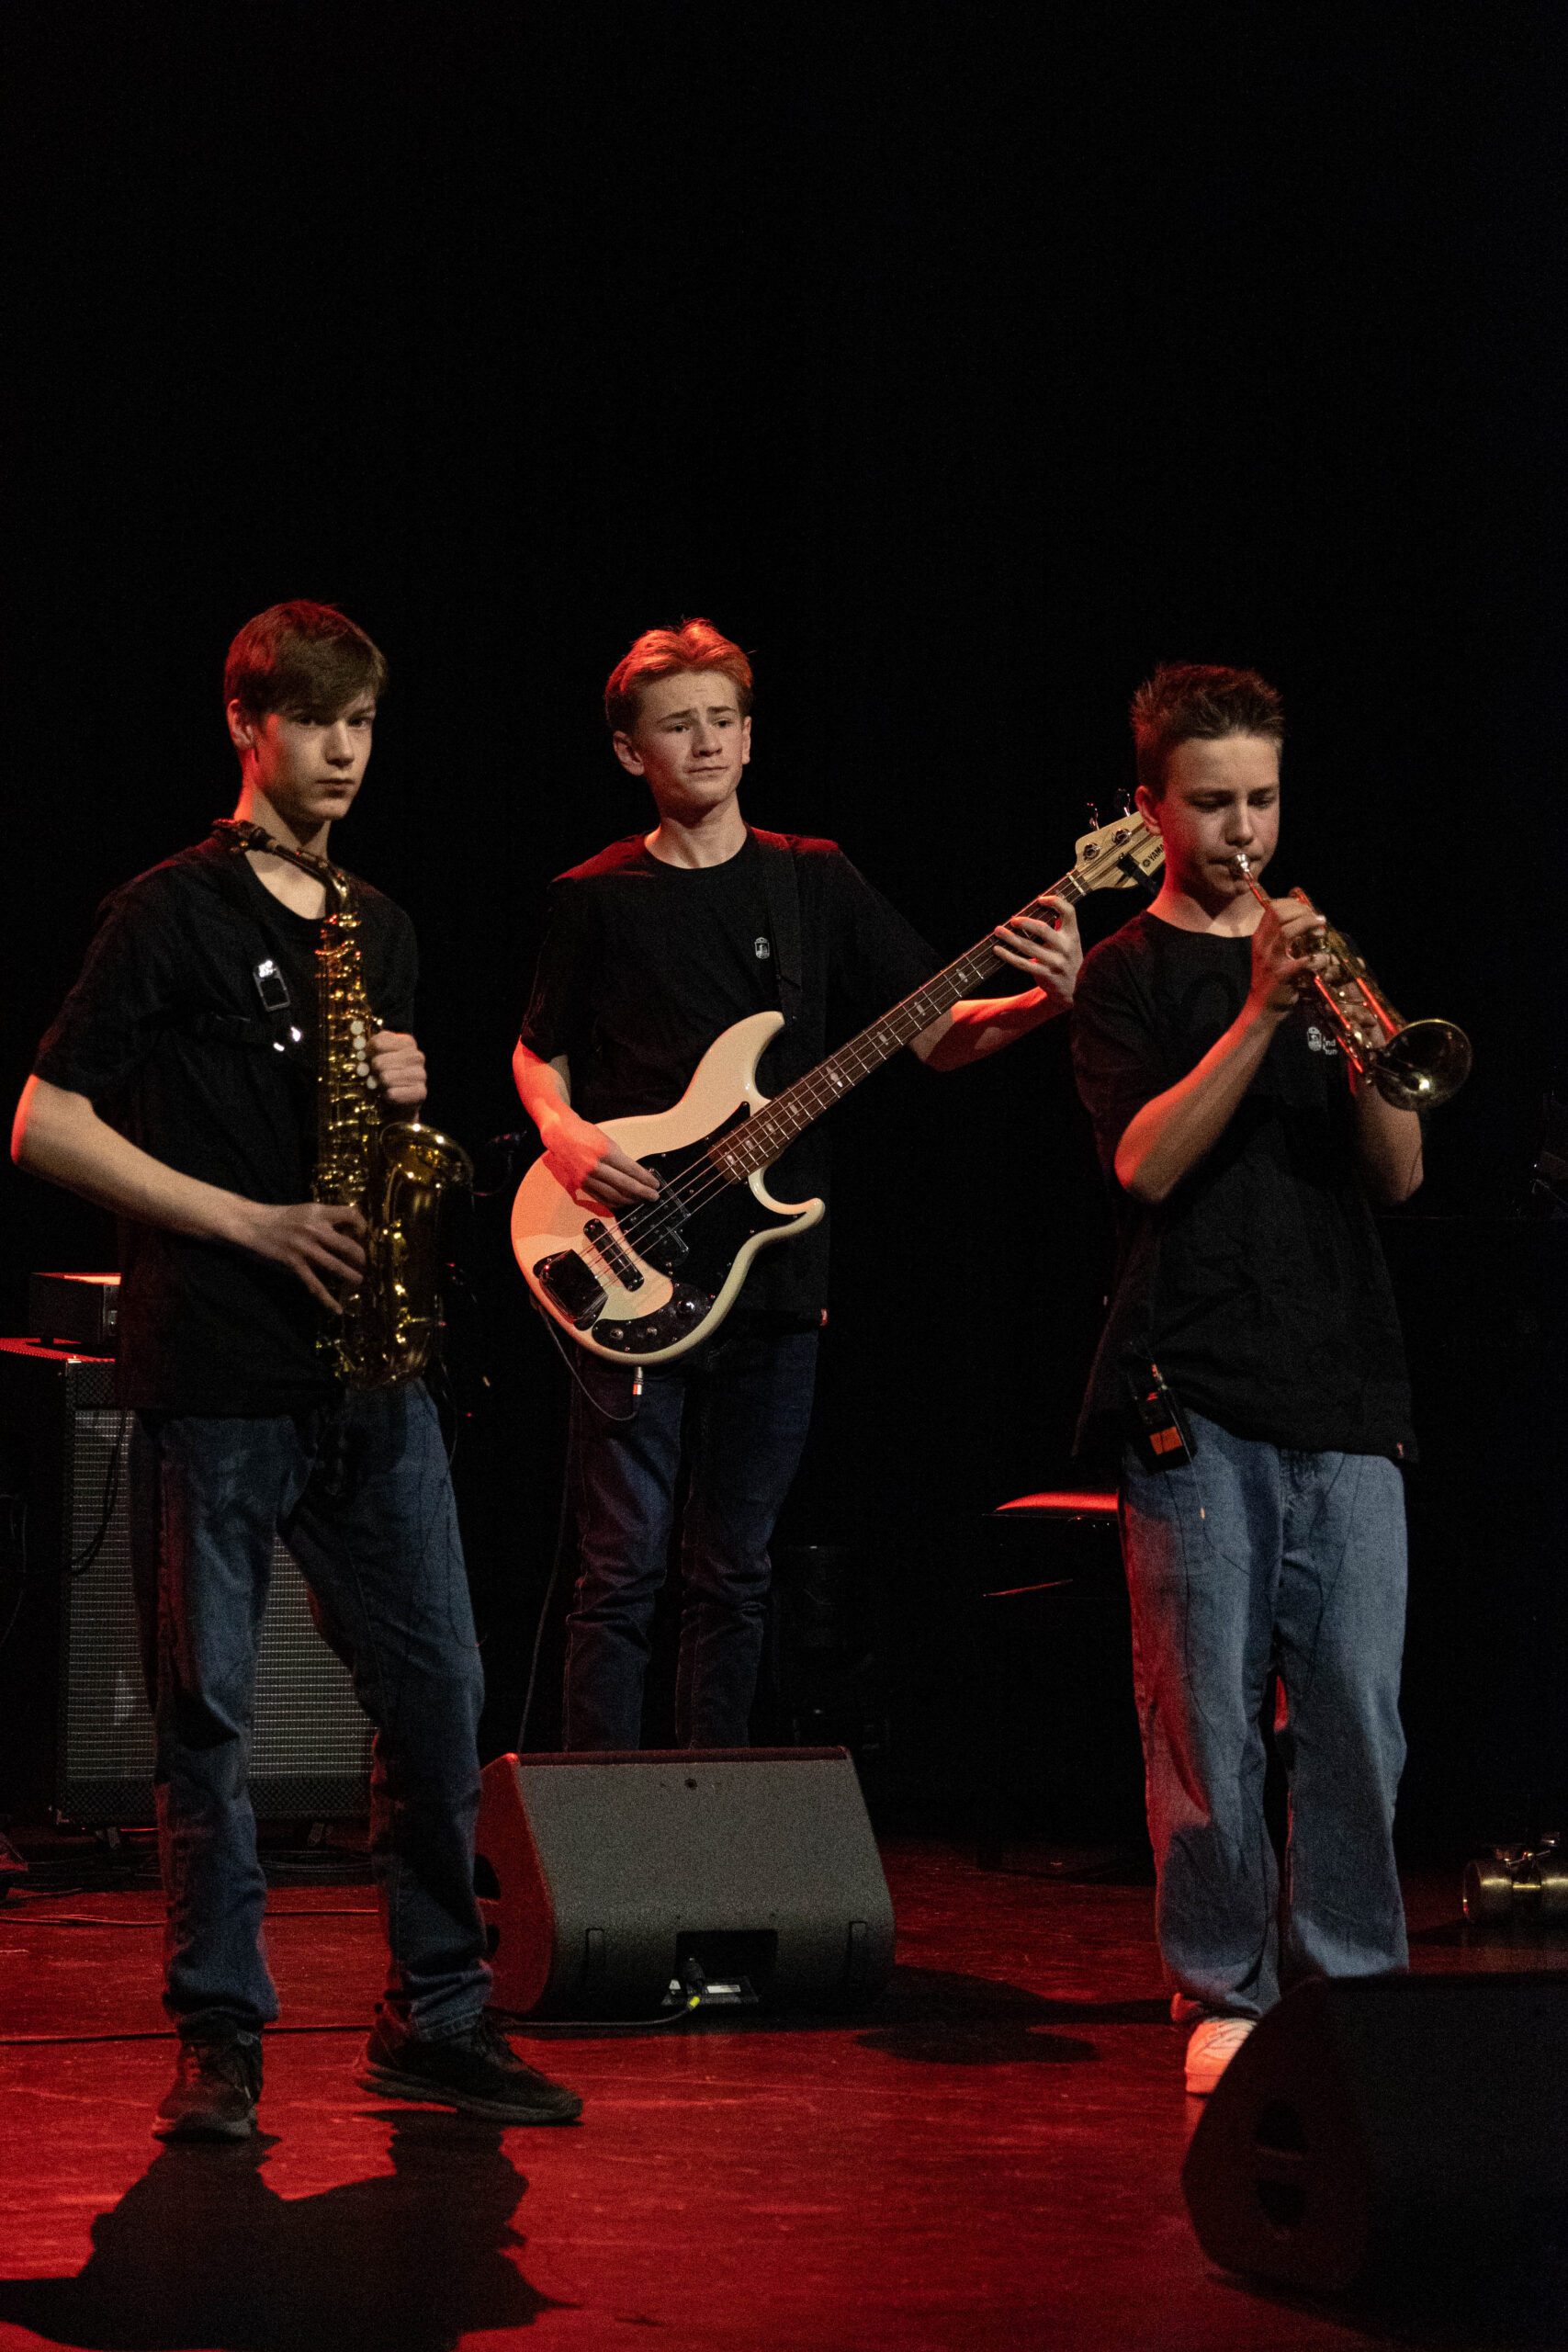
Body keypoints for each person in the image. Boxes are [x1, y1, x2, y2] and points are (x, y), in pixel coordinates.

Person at [12, 601, 581, 2138]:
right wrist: (246, 1222)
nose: (344, 751)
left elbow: (379, 1149)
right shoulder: (165, 913)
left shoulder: (376, 925)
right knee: (209, 1714)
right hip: (217, 1369)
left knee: (441, 1692)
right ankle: (220, 2033)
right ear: (246, 726)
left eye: (363, 724)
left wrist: (407, 1095)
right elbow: (43, 1122)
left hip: (368, 1373)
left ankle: (437, 2016)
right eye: (316, 721)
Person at [513, 617, 1082, 1751]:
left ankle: (714, 1815)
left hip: (773, 1281)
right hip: (625, 1254)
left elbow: (934, 1034)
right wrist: (564, 1136)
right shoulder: (595, 896)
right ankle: (592, 1828)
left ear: (750, 734)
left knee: (735, 1571)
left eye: (724, 720)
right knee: (619, 1571)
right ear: (631, 751)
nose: (707, 741)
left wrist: (1041, 1003)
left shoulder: (810, 877)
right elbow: (538, 1051)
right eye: (680, 725)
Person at [1069, 662, 1421, 2097]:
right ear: (1151, 807)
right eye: (1211, 804)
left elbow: (1398, 1175)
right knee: (1204, 1718)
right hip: (1189, 1384)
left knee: (1354, 1713)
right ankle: (1220, 1982)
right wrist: (1261, 1015)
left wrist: (1356, 1037)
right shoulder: (1123, 975)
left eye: (1261, 801)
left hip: (1342, 1380)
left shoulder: (1326, 956)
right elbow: (1144, 1164)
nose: (1242, 833)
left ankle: (1353, 1986)